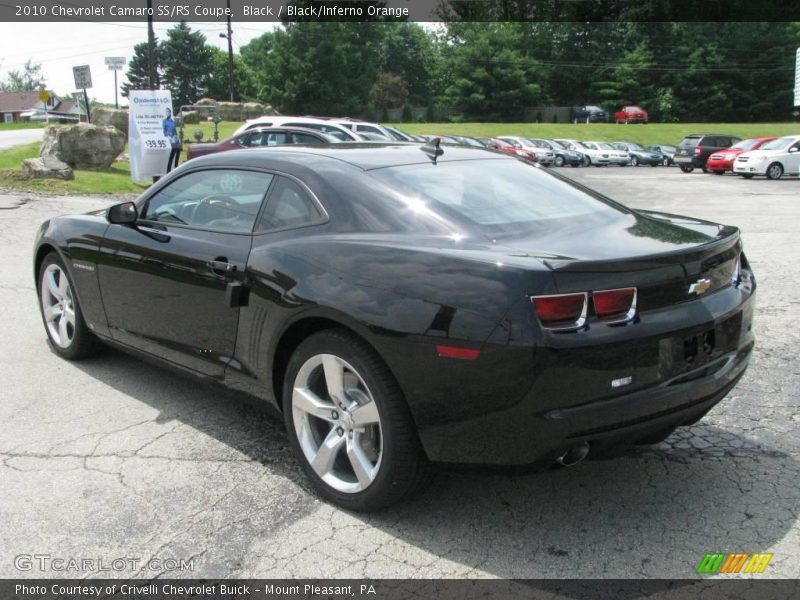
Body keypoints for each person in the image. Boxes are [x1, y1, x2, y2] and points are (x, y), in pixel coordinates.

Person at [162, 108, 182, 173]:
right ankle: (168, 172)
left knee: (177, 157)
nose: (167, 113)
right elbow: (164, 131)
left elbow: (175, 131)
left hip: (176, 139)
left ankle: (176, 172)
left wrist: (177, 137)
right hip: (171, 140)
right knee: (171, 157)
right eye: (166, 112)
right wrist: (169, 137)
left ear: (170, 113)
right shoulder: (164, 121)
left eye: (168, 112)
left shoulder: (173, 121)